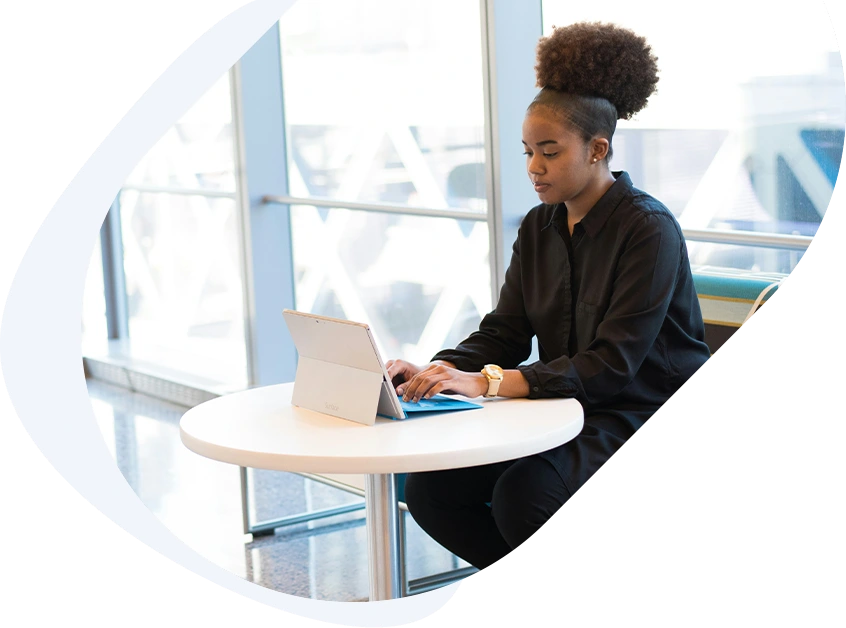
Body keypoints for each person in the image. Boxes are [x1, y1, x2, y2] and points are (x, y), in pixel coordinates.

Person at [385, 21, 712, 571]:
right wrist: (437, 371)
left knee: (525, 497)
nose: (534, 167)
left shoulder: (649, 229)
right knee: (430, 492)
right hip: (566, 407)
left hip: (638, 409)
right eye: (528, 152)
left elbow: (613, 365)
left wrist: (488, 382)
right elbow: (505, 332)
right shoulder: (539, 227)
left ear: (597, 148)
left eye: (550, 152)